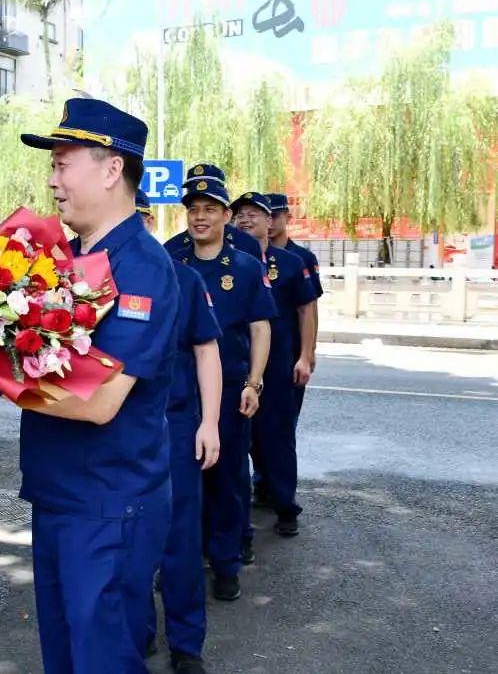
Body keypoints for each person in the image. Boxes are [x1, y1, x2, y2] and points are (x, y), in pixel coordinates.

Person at [0, 98, 181, 673]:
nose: (51, 180)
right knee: (64, 652)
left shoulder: (143, 270)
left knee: (103, 657)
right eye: (52, 166)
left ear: (111, 170)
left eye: (62, 164)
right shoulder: (61, 260)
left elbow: (101, 403)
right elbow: (39, 367)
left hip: (110, 502)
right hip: (60, 492)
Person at [166, 167, 276, 602]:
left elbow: (261, 329)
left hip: (231, 390)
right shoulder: (171, 260)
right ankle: (178, 564)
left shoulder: (246, 268)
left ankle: (226, 562)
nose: (200, 217)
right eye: (193, 209)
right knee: (178, 483)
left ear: (226, 216)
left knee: (228, 480)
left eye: (210, 209)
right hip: (179, 392)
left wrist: (254, 382)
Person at [139, 191, 223, 674]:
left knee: (180, 542)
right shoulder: (87, 276)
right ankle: (139, 631)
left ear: (148, 219)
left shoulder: (182, 278)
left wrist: (209, 422)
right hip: (115, 428)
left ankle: (187, 644)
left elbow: (206, 350)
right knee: (129, 543)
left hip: (174, 425)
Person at [233, 193, 316, 539]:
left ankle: (285, 506)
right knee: (239, 442)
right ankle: (239, 515)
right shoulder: (229, 263)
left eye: (255, 214)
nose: (246, 220)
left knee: (277, 438)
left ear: (271, 221)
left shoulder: (291, 262)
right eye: (240, 215)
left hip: (279, 366)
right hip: (237, 366)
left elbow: (306, 311)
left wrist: (306, 356)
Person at [266, 193, 323, 417]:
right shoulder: (252, 255)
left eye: (275, 216)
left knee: (285, 421)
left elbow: (310, 308)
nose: (269, 222)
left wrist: (308, 352)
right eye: (265, 216)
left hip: (290, 348)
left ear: (288, 218)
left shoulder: (301, 257)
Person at [164, 165, 263, 262]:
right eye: (191, 187)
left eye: (209, 209)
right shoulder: (172, 248)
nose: (199, 189)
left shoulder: (246, 244)